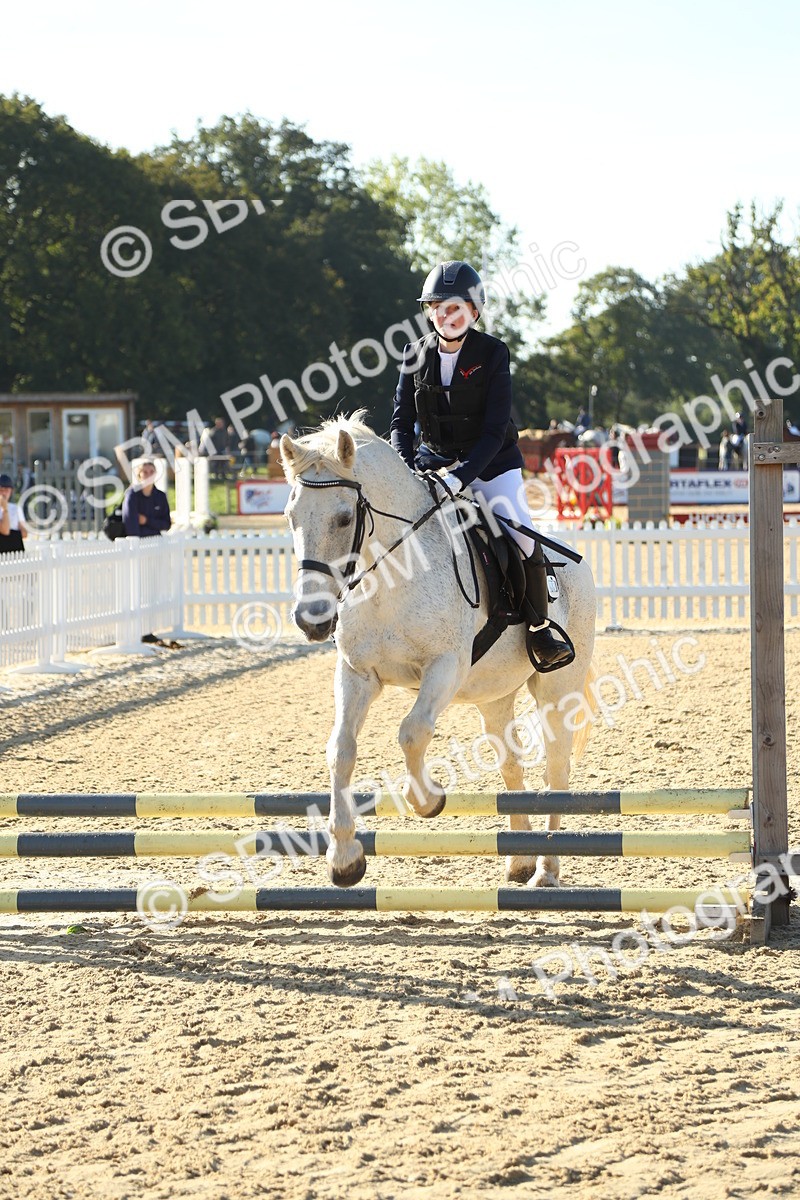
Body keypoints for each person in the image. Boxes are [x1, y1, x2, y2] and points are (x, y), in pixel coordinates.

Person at [390, 259, 572, 669]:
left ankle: (541, 629)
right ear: (429, 311)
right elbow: (401, 422)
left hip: (491, 468)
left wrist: (461, 476)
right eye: (437, 306)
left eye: (455, 307)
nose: (445, 315)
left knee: (520, 535)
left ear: (474, 311)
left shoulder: (492, 353)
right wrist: (407, 469)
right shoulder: (413, 355)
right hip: (430, 467)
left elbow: (493, 431)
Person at [0, 473, 28, 554]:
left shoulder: (16, 508)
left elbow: (24, 533)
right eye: (1, 490)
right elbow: (5, 531)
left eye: (7, 490)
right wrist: (5, 509)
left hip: (14, 551)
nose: (4, 494)